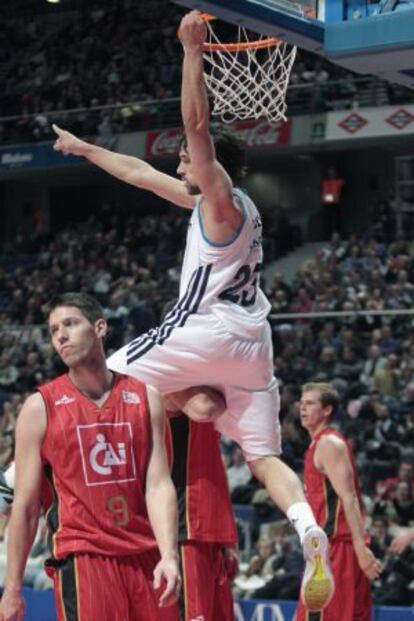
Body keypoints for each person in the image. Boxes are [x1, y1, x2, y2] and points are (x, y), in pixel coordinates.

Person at [52, 10, 333, 612]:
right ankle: (308, 525)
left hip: (209, 329)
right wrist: (82, 147)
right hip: (254, 343)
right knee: (263, 458)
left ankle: (18, 483)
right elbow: (137, 172)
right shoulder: (229, 208)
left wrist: (191, 51)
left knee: (103, 381)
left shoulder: (220, 200)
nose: (180, 165)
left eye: (186, 161)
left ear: (210, 166)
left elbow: (197, 122)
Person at [0, 293, 181, 621]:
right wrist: (12, 590)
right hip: (84, 558)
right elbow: (25, 508)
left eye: (70, 324)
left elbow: (158, 485)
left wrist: (169, 555)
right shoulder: (39, 408)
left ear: (100, 328)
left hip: (146, 556)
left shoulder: (146, 396)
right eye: (54, 330)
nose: (61, 336)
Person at [296, 382, 383, 621]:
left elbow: (349, 498)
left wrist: (360, 548)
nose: (303, 409)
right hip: (329, 549)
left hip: (338, 549)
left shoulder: (328, 444)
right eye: (301, 403)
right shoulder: (318, 444)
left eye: (310, 403)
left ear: (327, 410)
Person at [160, 390, 238, 621]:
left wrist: (228, 538)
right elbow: (205, 407)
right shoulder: (167, 386)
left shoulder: (205, 386)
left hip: (214, 526)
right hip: (186, 527)